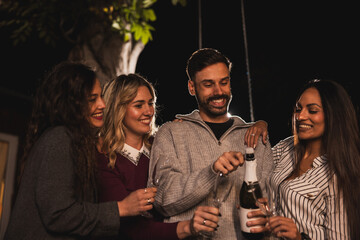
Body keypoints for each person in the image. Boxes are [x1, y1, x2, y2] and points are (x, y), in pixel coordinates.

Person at [147, 48, 274, 239]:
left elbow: (272, 202)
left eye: (224, 82)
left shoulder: (255, 137)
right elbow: (162, 199)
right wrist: (210, 172)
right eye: (208, 84)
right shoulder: (171, 133)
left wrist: (266, 211)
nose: (219, 92)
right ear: (192, 87)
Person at [4, 61, 124, 239]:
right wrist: (121, 208)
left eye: (101, 96)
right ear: (70, 103)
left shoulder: (77, 142)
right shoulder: (60, 139)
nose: (102, 105)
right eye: (92, 99)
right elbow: (58, 215)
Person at [96, 73, 220, 239]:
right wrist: (186, 227)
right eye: (139, 105)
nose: (149, 111)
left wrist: (256, 127)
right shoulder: (104, 156)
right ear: (118, 109)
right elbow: (129, 228)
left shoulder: (164, 143)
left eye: (151, 103)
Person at [246, 79, 360, 239]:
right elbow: (255, 171)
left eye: (312, 110)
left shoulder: (339, 174)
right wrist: (259, 124)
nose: (300, 116)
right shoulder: (286, 148)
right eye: (298, 109)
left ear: (334, 116)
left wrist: (299, 237)